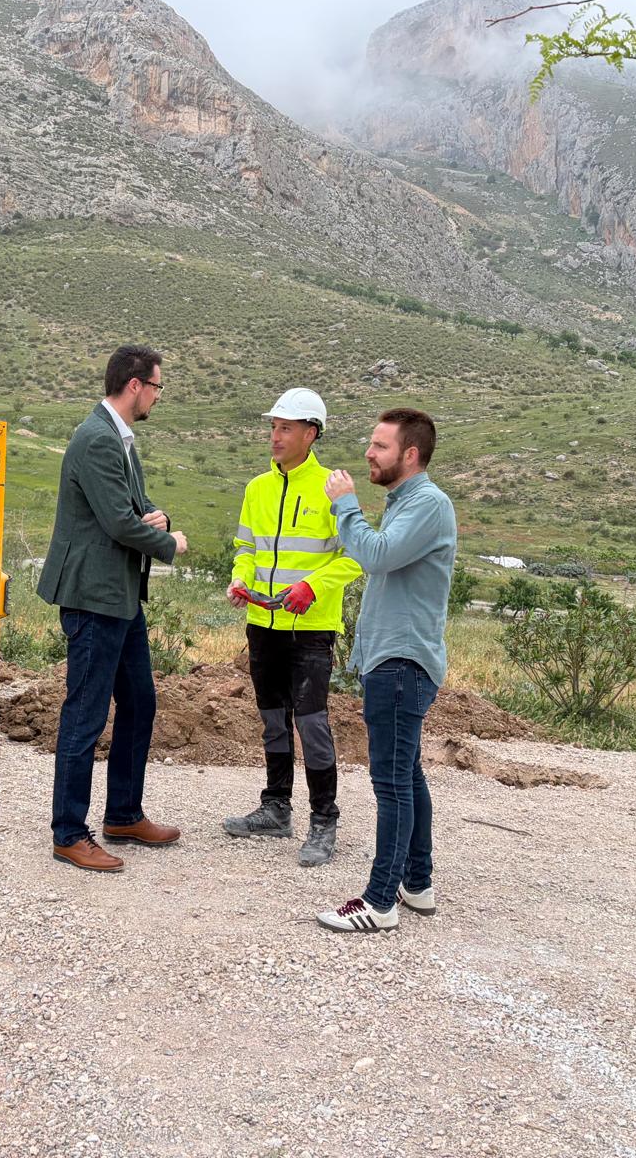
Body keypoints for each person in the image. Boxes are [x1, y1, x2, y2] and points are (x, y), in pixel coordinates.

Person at [38, 345, 189, 873]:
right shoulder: (98, 439)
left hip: (119, 596)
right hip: (94, 597)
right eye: (156, 387)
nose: (157, 396)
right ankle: (68, 832)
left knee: (140, 702)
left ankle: (123, 813)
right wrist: (170, 544)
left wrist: (155, 518)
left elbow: (135, 509)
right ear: (134, 385)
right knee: (85, 714)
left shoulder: (119, 438)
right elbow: (120, 524)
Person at [315, 407, 457, 934]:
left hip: (402, 664)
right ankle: (416, 885)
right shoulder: (407, 503)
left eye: (379, 446)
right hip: (392, 662)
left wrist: (345, 506)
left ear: (410, 454)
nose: (369, 454)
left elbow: (373, 556)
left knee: (392, 782)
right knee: (407, 774)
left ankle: (379, 903)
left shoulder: (428, 506)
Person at [223, 389, 362, 866]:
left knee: (311, 723)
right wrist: (240, 579)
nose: (275, 436)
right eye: (273, 427)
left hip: (311, 628)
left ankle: (324, 820)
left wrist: (313, 586)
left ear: (311, 433)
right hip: (262, 621)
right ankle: (276, 808)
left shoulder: (333, 487)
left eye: (285, 428)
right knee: (272, 718)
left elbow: (356, 558)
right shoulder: (257, 488)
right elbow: (246, 549)